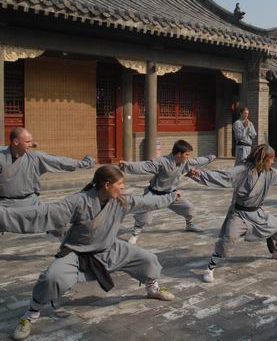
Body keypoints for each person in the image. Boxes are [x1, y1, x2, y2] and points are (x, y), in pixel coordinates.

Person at [0, 166, 179, 341]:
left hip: (108, 248)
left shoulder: (121, 201)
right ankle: (30, 314)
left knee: (147, 259)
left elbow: (148, 202)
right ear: (107, 185)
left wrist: (172, 196)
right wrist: (4, 216)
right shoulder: (79, 201)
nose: (123, 187)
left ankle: (152, 289)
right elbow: (43, 213)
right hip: (77, 252)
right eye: (120, 183)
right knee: (52, 277)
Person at [187, 144, 277, 283]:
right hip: (239, 214)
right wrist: (198, 174)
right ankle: (210, 267)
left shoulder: (270, 173)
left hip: (257, 213)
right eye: (271, 159)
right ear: (263, 159)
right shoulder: (243, 171)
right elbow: (223, 176)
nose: (273, 162)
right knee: (229, 238)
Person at [118, 140, 215, 244]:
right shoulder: (162, 162)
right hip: (154, 194)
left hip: (171, 194)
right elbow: (145, 166)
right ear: (179, 154)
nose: (188, 157)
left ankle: (189, 225)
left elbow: (197, 161)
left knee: (189, 208)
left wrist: (211, 157)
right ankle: (135, 233)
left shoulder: (184, 162)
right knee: (145, 214)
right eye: (186, 154)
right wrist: (126, 166)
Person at [0, 127, 95, 209]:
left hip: (30, 203)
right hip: (4, 204)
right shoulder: (2, 156)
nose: (31, 144)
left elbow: (60, 161)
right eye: (27, 142)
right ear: (16, 142)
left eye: (31, 142)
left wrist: (84, 163)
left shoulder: (35, 158)